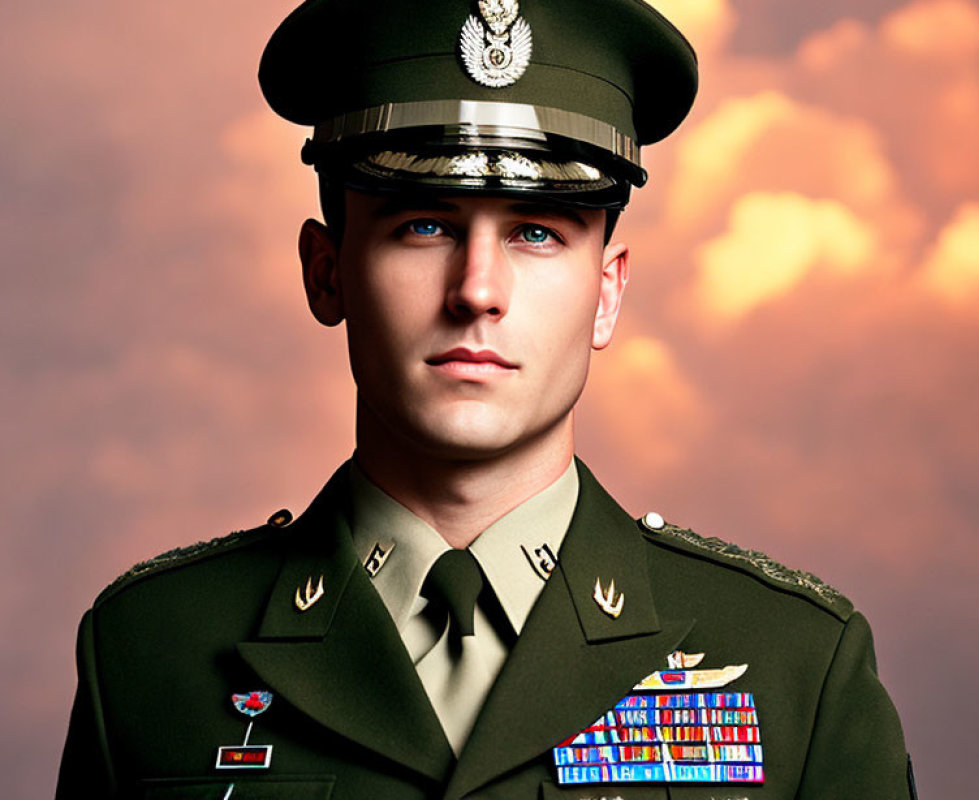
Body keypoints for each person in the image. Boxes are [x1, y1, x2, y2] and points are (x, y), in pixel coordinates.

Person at [56, 1, 917, 798]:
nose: (476, 290)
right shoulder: (148, 655)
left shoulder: (795, 667)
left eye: (537, 232)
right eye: (422, 225)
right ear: (327, 272)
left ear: (608, 293)